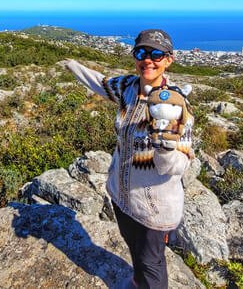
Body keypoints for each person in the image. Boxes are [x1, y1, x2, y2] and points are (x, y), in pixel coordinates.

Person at [66, 29, 194, 289]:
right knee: (134, 249)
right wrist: (71, 65)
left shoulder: (176, 104)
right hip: (122, 197)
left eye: (157, 54)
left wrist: (166, 150)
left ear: (169, 59)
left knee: (152, 264)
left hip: (153, 207)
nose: (148, 59)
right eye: (142, 52)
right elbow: (100, 82)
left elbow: (180, 165)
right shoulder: (127, 88)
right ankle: (136, 281)